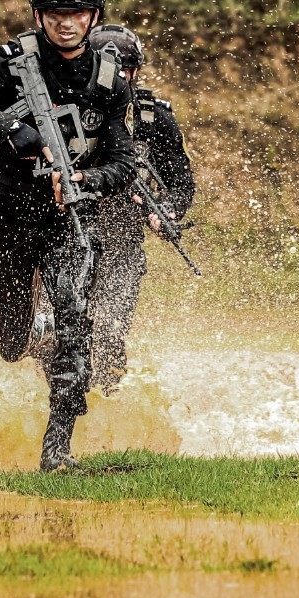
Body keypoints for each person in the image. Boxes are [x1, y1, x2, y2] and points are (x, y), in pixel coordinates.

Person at [0, 0, 137, 471]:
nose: (66, 23)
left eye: (77, 13)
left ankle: (58, 450)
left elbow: (124, 162)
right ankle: (37, 334)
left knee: (75, 324)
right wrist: (5, 127)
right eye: (55, 14)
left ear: (93, 17)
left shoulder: (110, 80)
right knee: (12, 341)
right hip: (9, 215)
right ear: (40, 15)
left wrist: (87, 181)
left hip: (67, 217)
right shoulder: (11, 61)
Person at [85, 23, 196, 394]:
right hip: (70, 236)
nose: (117, 76)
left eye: (126, 69)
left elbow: (181, 182)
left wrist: (165, 212)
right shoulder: (69, 110)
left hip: (123, 244)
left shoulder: (153, 119)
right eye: (106, 66)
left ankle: (109, 406)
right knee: (63, 333)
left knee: (110, 331)